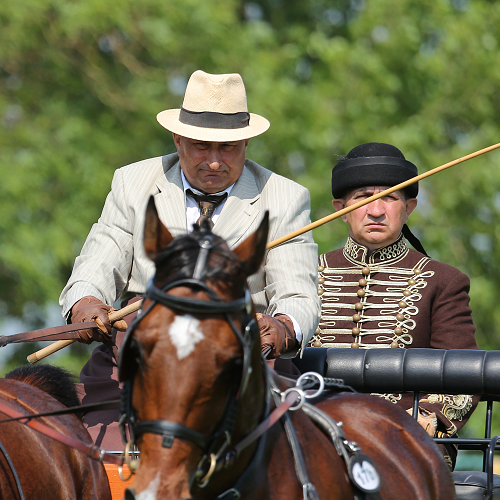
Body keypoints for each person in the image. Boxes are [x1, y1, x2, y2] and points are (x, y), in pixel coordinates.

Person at [60, 70, 320, 449]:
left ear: (246, 143)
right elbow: (97, 262)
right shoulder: (132, 183)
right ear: (177, 138)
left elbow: (299, 296)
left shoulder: (285, 197)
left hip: (239, 367)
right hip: (137, 362)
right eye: (201, 146)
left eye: (228, 148)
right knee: (94, 462)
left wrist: (283, 326)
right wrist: (84, 304)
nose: (214, 162)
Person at [311, 142, 478, 467]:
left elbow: (465, 376)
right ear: (339, 208)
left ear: (409, 206)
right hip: (311, 429)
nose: (376, 210)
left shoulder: (443, 281)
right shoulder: (303, 274)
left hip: (405, 441)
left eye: (389, 197)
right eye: (363, 198)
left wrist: (428, 421)